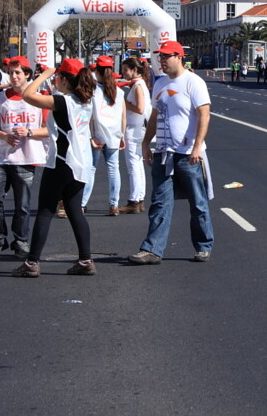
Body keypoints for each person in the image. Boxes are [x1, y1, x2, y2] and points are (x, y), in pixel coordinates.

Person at [128, 40, 214, 265]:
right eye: (160, 57)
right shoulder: (159, 84)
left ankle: (203, 245)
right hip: (163, 152)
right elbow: (155, 117)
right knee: (160, 202)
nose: (162, 61)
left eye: (166, 56)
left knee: (198, 202)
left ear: (179, 56)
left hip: (188, 154)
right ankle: (152, 250)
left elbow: (204, 115)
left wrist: (197, 146)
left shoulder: (193, 82)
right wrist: (147, 143)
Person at [12, 59, 98, 278]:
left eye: (58, 78)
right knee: (74, 210)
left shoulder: (63, 101)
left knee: (45, 210)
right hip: (81, 162)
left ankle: (32, 263)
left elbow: (28, 96)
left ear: (64, 80)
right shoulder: (85, 99)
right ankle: (85, 260)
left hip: (62, 160)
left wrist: (42, 76)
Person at [0, 56, 47, 260]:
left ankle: (21, 240)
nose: (14, 76)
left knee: (22, 205)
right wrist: (3, 135)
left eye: (18, 72)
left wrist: (29, 132)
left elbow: (48, 130)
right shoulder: (1, 98)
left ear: (27, 74)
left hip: (25, 158)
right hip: (1, 157)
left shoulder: (39, 98)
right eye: (11, 73)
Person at [85, 56, 126, 215]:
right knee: (113, 169)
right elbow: (123, 116)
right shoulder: (119, 92)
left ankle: (82, 203)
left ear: (98, 71)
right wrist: (122, 135)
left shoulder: (92, 91)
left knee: (91, 169)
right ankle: (114, 205)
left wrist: (90, 136)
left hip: (97, 134)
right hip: (114, 134)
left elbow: (89, 115)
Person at [120, 57, 152, 214]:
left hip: (135, 129)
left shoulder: (138, 86)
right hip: (138, 128)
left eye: (126, 70)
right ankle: (138, 198)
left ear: (134, 69)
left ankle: (134, 200)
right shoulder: (139, 85)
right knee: (137, 165)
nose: (124, 73)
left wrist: (124, 103)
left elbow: (140, 108)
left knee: (133, 165)